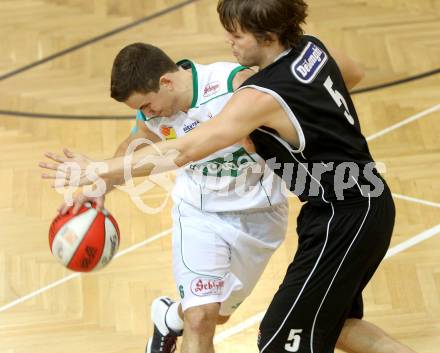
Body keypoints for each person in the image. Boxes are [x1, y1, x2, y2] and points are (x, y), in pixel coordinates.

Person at [39, 1, 417, 352]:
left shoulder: (256, 95)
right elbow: (352, 73)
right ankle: (176, 319)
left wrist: (96, 167)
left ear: (266, 36)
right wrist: (308, 110)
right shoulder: (311, 47)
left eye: (236, 34)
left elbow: (185, 149)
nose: (228, 41)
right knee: (333, 327)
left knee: (275, 338)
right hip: (355, 203)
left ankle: (173, 317)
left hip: (338, 215)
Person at [54, 42, 290, 353]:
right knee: (199, 318)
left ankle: (167, 317)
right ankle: (182, 317)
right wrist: (99, 187)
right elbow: (133, 147)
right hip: (200, 216)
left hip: (261, 217)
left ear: (166, 82)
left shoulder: (233, 84)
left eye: (148, 105)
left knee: (216, 315)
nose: (147, 113)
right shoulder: (153, 116)